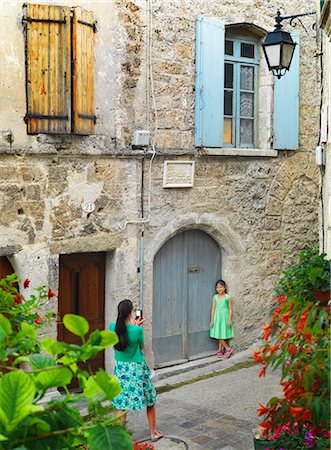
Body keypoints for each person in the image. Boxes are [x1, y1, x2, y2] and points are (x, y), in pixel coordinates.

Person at [109, 299, 163, 442]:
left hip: (121, 368)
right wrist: (136, 326)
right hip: (137, 369)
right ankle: (153, 432)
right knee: (150, 399)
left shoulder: (112, 327)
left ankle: (120, 439)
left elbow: (123, 334)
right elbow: (142, 347)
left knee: (121, 403)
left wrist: (132, 326)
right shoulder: (137, 330)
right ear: (131, 313)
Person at [209, 279, 234, 358]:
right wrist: (212, 319)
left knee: (221, 334)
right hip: (217, 317)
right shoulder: (215, 297)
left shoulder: (228, 297)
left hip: (224, 317)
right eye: (217, 287)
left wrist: (229, 319)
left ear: (225, 287)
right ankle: (220, 350)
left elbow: (230, 309)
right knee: (219, 333)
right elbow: (213, 309)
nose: (219, 289)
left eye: (221, 287)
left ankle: (227, 349)